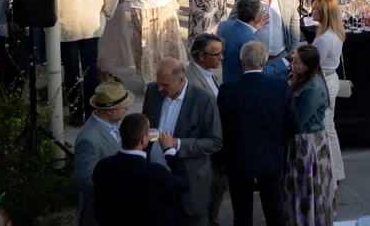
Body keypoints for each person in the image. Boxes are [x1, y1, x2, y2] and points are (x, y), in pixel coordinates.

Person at [217, 41, 294, 226]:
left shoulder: (227, 90)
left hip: (238, 160)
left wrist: (221, 160)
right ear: (265, 62)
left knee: (241, 212)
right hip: (271, 157)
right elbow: (292, 125)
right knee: (274, 210)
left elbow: (221, 127)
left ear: (242, 62)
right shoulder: (280, 87)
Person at [141, 57, 223, 226]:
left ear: (181, 81)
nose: (160, 88)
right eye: (158, 82)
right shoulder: (153, 91)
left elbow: (215, 142)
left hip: (189, 184)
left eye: (165, 84)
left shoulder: (204, 100)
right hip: (156, 181)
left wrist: (177, 144)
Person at [56, 0, 119, 123]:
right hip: (92, 23)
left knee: (71, 70)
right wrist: (106, 14)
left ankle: (76, 114)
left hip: (65, 26)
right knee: (90, 68)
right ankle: (93, 113)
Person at [91, 113, 189, 226]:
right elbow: (184, 183)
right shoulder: (155, 173)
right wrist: (169, 151)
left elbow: (99, 208)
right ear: (143, 140)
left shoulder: (102, 167)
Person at [283, 44, 335, 225]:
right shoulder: (303, 77)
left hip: (307, 144)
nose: (293, 64)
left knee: (305, 186)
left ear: (307, 66)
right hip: (302, 140)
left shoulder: (313, 88)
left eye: (296, 62)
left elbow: (298, 120)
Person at [75, 80, 134, 226]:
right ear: (110, 110)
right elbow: (85, 180)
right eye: (122, 106)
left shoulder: (114, 124)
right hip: (100, 215)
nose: (127, 108)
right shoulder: (89, 140)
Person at [309, 0, 347, 183]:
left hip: (324, 82)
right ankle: (336, 171)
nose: (311, 10)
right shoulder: (333, 33)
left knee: (324, 128)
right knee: (329, 128)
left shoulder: (324, 38)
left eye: (315, 7)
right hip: (330, 80)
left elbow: (315, 64)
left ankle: (329, 174)